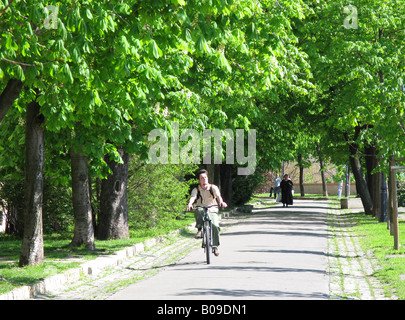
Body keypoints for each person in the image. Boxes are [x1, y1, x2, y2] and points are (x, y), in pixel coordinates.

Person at [186, 169, 228, 256]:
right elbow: (193, 197)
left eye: (205, 177)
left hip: (212, 209)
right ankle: (200, 229)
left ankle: (215, 246)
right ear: (199, 180)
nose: (204, 179)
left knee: (215, 226)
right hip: (201, 208)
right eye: (202, 178)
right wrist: (190, 204)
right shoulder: (196, 189)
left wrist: (221, 202)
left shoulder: (213, 188)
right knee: (198, 210)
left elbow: (218, 196)